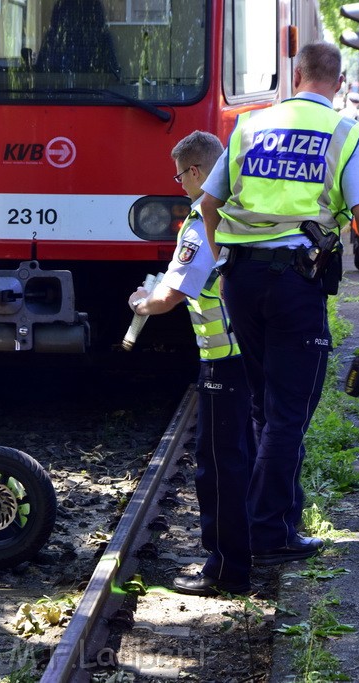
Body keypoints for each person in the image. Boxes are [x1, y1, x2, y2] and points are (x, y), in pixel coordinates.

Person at [199, 42, 359, 569]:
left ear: (295, 75)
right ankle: (267, 531)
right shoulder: (345, 133)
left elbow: (208, 200)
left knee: (263, 405)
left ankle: (268, 521)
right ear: (338, 83)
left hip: (242, 279)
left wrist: (222, 250)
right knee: (288, 414)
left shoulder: (251, 125)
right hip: (295, 283)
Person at [126, 131, 255, 596]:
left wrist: (143, 302)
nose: (178, 182)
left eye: (180, 174)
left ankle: (226, 569)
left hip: (223, 363)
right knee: (243, 455)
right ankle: (246, 549)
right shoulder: (241, 207)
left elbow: (173, 293)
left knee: (218, 466)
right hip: (248, 357)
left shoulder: (203, 220)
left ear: (197, 172)